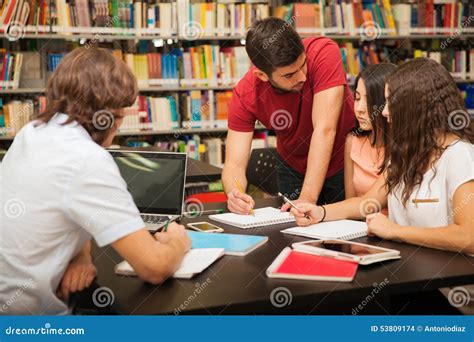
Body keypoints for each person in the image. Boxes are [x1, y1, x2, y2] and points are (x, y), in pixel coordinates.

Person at [0, 48, 191, 315]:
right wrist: (178, 242)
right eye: (121, 116)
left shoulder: (32, 132)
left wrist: (80, 254)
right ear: (106, 115)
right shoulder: (86, 159)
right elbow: (154, 268)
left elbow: (63, 207)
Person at [291, 58, 474, 257]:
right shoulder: (406, 153)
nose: (384, 111)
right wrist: (321, 212)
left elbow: (469, 237)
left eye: (391, 102)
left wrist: (394, 231)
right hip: (407, 269)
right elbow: (369, 201)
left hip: (446, 282)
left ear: (415, 107)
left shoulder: (460, 156)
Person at [222, 17, 355, 215]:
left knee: (347, 236)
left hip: (342, 161)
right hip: (293, 165)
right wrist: (235, 194)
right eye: (289, 75)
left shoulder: (323, 52)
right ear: (262, 76)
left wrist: (308, 198)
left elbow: (325, 129)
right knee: (294, 233)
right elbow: (234, 163)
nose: (302, 77)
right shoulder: (246, 94)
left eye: (303, 65)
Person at [345, 63, 397, 199]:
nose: (359, 108)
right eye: (357, 98)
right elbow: (350, 203)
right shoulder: (352, 141)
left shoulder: (403, 146)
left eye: (368, 101)